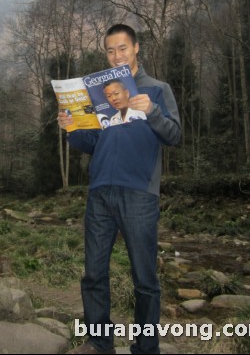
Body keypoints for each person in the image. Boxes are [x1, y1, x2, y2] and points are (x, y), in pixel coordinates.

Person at [58, 23, 181, 355]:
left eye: (122, 49)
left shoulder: (157, 89)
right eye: (110, 51)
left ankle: (146, 347)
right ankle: (99, 343)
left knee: (145, 279)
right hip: (100, 192)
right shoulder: (103, 94)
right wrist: (72, 129)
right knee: (94, 274)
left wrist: (151, 111)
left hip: (139, 193)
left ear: (136, 48)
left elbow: (174, 135)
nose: (116, 56)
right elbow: (93, 142)